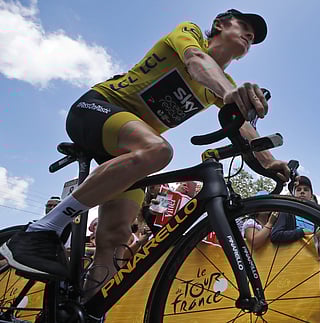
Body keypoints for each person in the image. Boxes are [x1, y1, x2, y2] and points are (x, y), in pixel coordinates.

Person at [1, 9, 289, 296]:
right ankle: (44, 229)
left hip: (126, 151)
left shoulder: (222, 83)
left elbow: (242, 125)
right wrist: (229, 94)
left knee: (115, 237)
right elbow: (196, 61)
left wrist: (269, 160)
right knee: (158, 151)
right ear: (219, 24)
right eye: (244, 25)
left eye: (254, 37)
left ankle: (88, 311)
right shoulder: (190, 35)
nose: (250, 35)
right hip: (96, 110)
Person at [271, 176, 316, 243]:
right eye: (298, 190)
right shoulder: (287, 212)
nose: (302, 192)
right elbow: (275, 236)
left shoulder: (315, 218)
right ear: (293, 194)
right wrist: (301, 232)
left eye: (306, 189)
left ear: (311, 196)